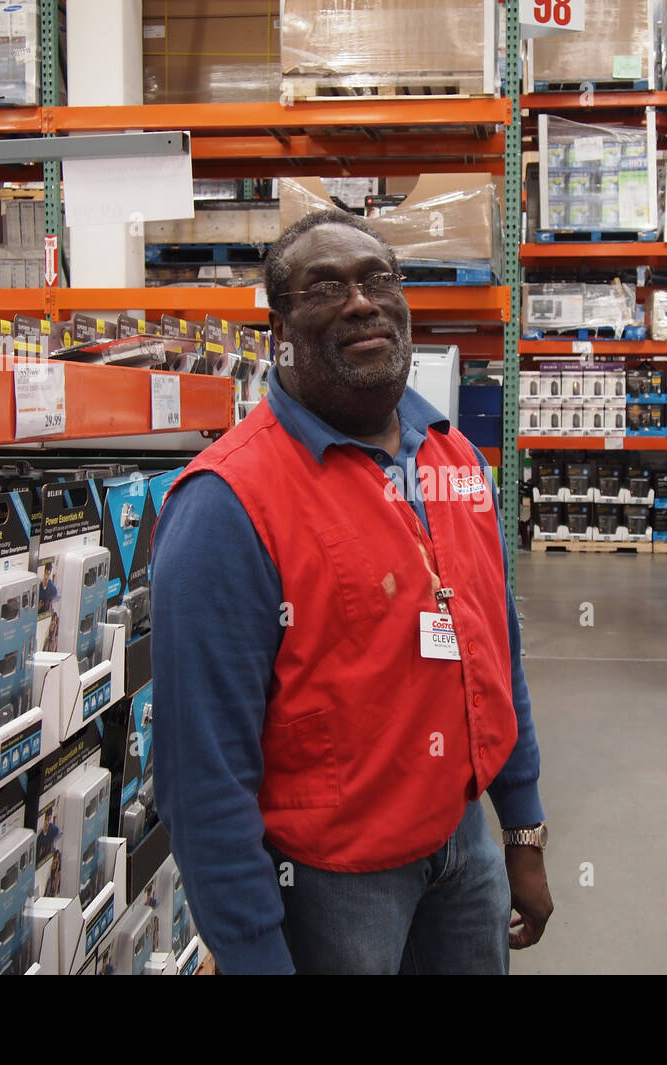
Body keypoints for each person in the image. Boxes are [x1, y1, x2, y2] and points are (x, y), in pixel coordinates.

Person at [152, 210, 551, 976]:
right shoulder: (225, 505)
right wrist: (253, 954)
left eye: (378, 280)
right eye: (325, 287)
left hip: (463, 849)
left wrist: (522, 829)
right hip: (332, 884)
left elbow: (497, 653)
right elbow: (202, 774)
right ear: (281, 331)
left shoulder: (455, 457)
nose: (361, 301)